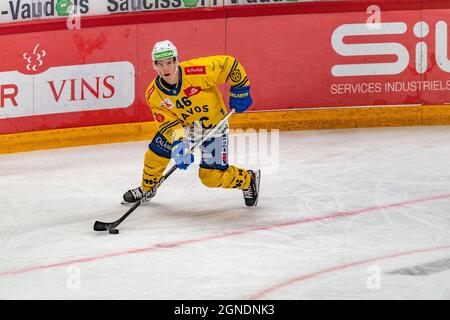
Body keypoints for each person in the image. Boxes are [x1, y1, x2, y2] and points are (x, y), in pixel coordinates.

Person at [123, 40, 260, 207]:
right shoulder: (154, 94)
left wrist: (240, 89)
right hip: (186, 127)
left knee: (211, 177)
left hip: (214, 127)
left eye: (169, 62)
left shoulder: (196, 71)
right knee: (154, 155)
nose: (165, 68)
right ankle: (147, 188)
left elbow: (229, 65)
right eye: (160, 64)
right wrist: (179, 143)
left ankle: (248, 179)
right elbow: (168, 123)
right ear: (154, 66)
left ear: (176, 61)